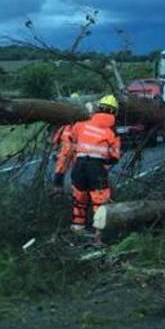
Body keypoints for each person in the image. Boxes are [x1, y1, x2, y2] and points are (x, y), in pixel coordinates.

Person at [53, 94, 121, 242]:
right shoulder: (112, 132)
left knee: (79, 198)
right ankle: (99, 233)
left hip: (79, 165)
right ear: (115, 113)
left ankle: (78, 227)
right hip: (96, 168)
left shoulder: (82, 124)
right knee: (99, 201)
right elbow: (114, 157)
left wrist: (58, 176)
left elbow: (71, 142)